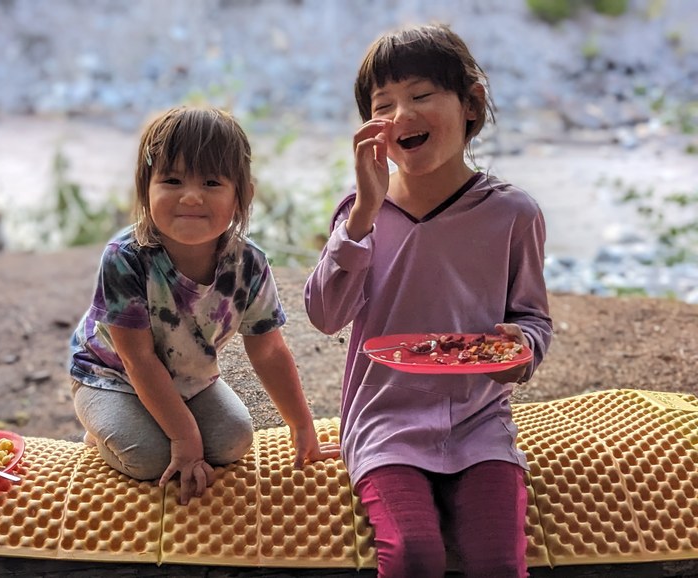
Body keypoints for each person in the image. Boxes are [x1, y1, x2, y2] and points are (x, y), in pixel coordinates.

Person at [304, 23, 552, 578]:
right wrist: (364, 214)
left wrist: (521, 347)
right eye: (382, 104)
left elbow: (532, 317)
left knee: (496, 558)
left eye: (420, 95)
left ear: (471, 103)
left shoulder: (513, 214)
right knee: (415, 553)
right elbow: (324, 315)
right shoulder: (359, 214)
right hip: (384, 421)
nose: (401, 115)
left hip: (479, 420)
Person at [69, 106, 339, 505]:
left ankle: (159, 422)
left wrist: (301, 426)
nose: (191, 196)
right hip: (109, 376)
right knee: (149, 459)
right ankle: (100, 431)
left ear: (242, 194)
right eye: (172, 180)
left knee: (233, 441)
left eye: (212, 182)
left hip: (188, 378)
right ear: (146, 189)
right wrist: (184, 438)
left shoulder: (249, 264)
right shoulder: (125, 258)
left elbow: (269, 350)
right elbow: (137, 360)